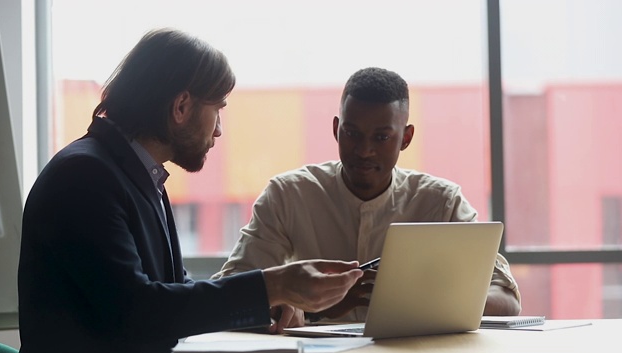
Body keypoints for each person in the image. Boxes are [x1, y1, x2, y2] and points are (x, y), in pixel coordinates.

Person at [16, 28, 364, 353]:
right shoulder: (85, 177)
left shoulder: (137, 175)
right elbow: (138, 312)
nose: (219, 129)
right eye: (218, 109)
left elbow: (173, 291)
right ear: (181, 106)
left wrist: (267, 303)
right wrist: (273, 285)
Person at [212, 67, 522, 330]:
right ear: (336, 129)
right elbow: (231, 292)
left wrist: (416, 301)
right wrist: (309, 305)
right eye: (352, 133)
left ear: (406, 138)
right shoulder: (288, 195)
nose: (364, 150)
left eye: (382, 137)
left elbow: (507, 301)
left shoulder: (441, 202)